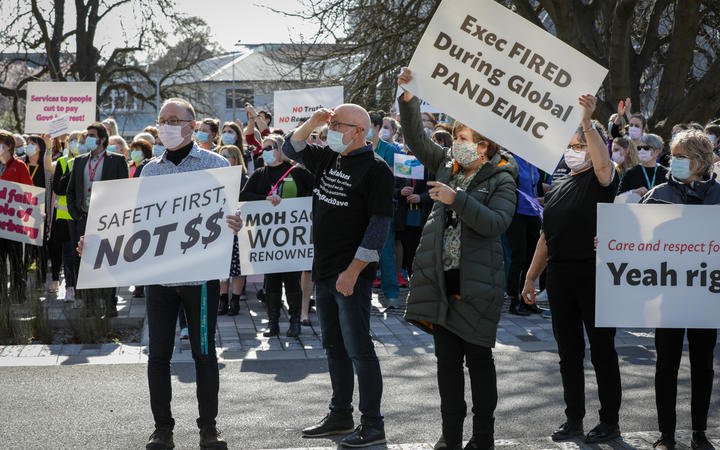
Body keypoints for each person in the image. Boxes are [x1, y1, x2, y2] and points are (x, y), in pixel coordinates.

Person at [397, 68, 517, 450]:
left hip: (477, 287)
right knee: (446, 366)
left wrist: (457, 199)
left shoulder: (502, 178)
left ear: (483, 146)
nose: (456, 145)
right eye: (457, 139)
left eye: (463, 139)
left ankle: (482, 438)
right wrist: (409, 99)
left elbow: (496, 223)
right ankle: (450, 438)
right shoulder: (447, 165)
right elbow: (417, 139)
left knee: (478, 365)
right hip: (441, 283)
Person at [283, 102, 393, 447]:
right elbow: (291, 147)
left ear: (359, 131)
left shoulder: (377, 170)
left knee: (359, 348)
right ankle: (340, 414)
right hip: (325, 269)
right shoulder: (332, 156)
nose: (330, 130)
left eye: (337, 125)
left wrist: (354, 271)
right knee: (333, 345)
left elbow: (378, 227)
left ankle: (373, 424)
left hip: (350, 275)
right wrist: (313, 121)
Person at [522, 95, 622, 444]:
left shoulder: (602, 177)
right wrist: (532, 275)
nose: (573, 148)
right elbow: (546, 237)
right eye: (570, 145)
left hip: (594, 276)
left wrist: (587, 123)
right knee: (569, 353)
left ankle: (609, 421)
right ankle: (573, 419)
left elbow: (603, 164)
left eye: (579, 144)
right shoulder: (560, 183)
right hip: (561, 276)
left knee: (602, 351)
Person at [139, 98, 231, 449]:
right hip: (160, 279)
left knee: (204, 354)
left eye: (174, 120)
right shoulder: (149, 170)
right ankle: (162, 428)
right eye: (162, 120)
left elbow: (231, 215)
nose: (166, 126)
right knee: (158, 355)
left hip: (201, 279)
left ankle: (209, 426)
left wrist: (234, 222)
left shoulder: (216, 165)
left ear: (192, 126)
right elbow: (136, 222)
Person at [639, 129, 718, 450]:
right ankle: (666, 434)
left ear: (700, 161)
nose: (676, 162)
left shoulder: (718, 196)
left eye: (682, 157)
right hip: (667, 293)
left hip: (705, 294)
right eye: (674, 156)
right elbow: (632, 239)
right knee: (666, 364)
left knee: (703, 364)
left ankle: (700, 432)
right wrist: (609, 245)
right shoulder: (658, 194)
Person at [240, 135, 313, 336]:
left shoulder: (297, 171)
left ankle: (295, 322)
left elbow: (315, 190)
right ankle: (272, 323)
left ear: (281, 149)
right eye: (263, 148)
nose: (264, 151)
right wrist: (265, 199)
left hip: (292, 236)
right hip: (268, 237)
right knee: (271, 283)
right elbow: (243, 197)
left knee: (292, 281)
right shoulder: (259, 174)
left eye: (270, 147)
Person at [66, 123, 129, 315]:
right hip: (85, 219)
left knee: (109, 261)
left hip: (108, 220)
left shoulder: (116, 161)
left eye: (92, 136)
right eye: (87, 136)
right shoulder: (79, 161)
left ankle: (109, 303)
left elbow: (125, 190)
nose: (87, 140)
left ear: (102, 139)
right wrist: (77, 215)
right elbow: (70, 192)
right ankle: (89, 304)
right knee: (86, 262)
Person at [368, 110, 401, 306]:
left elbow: (398, 173)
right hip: (360, 206)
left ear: (378, 128)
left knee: (386, 250)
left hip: (383, 206)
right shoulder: (356, 147)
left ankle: (392, 294)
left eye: (368, 127)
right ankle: (359, 293)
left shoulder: (390, 150)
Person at [506, 154, 544, 316]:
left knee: (531, 258)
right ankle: (514, 301)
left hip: (533, 214)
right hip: (517, 215)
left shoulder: (534, 162)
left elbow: (538, 186)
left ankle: (528, 300)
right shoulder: (512, 161)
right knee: (518, 258)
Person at [0, 131, 33, 302]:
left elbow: (28, 191)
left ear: (9, 147)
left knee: (15, 260)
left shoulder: (19, 166)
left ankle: (18, 295)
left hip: (14, 222)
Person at [217, 144, 248, 317]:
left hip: (238, 230)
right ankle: (223, 299)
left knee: (238, 267)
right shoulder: (216, 179)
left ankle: (235, 300)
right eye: (222, 155)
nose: (224, 159)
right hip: (220, 228)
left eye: (228, 155)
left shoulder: (244, 179)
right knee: (223, 268)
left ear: (236, 158)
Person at [51, 130, 83, 302]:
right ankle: (70, 287)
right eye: (72, 140)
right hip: (64, 218)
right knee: (69, 255)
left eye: (78, 140)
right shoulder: (63, 162)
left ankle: (82, 289)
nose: (75, 143)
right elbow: (59, 188)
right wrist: (73, 168)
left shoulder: (89, 162)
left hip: (82, 216)